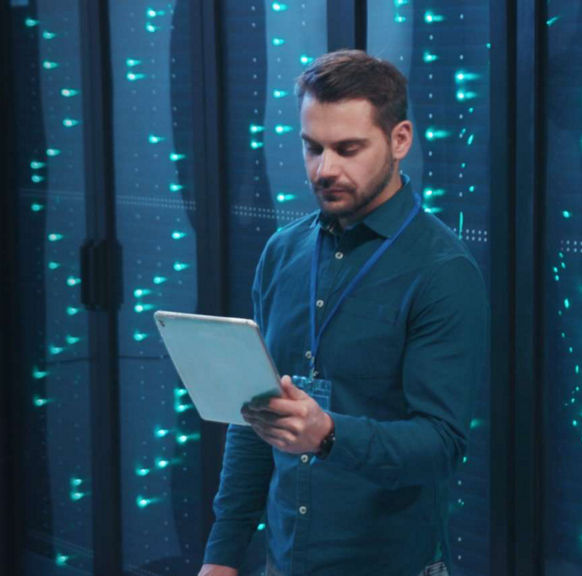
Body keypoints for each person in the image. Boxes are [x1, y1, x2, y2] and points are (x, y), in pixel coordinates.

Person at [198, 50, 488, 576]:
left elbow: (442, 445)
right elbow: (252, 418)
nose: (325, 169)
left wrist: (329, 434)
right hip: (283, 562)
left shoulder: (443, 270)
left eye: (348, 149)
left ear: (400, 140)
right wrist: (222, 555)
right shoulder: (282, 252)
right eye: (313, 148)